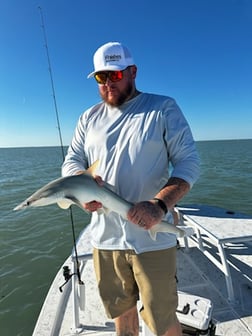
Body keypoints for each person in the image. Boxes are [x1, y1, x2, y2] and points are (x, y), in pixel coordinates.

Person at [62, 42, 200, 336]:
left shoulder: (162, 108)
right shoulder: (88, 118)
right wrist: (80, 184)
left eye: (115, 75)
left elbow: (189, 163)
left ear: (133, 71)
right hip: (104, 239)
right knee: (122, 320)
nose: (109, 83)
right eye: (101, 77)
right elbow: (72, 160)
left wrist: (159, 205)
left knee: (162, 321)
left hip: (152, 239)